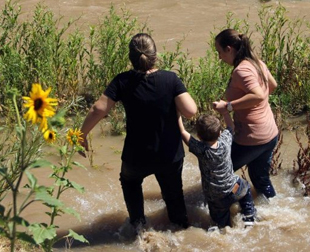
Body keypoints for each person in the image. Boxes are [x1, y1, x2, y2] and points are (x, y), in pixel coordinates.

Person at [78, 33, 197, 231]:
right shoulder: (170, 79)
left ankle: (138, 228)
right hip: (169, 155)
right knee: (174, 196)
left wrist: (82, 134)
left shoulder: (122, 81)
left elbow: (98, 109)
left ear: (130, 57)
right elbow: (191, 111)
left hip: (136, 155)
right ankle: (181, 229)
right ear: (155, 55)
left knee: (130, 182)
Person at [212, 28, 279, 201]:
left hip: (251, 139)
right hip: (269, 134)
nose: (219, 57)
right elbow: (272, 86)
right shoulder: (256, 62)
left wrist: (228, 106)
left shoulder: (241, 71)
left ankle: (236, 207)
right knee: (261, 180)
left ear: (229, 49)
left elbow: (258, 95)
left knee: (218, 173)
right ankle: (274, 211)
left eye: (219, 52)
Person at [178, 112, 256, 230]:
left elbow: (183, 132)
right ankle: (249, 215)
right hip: (234, 188)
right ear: (220, 133)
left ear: (198, 136)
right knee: (245, 187)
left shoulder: (201, 150)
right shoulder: (225, 141)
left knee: (221, 226)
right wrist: (225, 111)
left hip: (216, 198)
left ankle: (225, 228)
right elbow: (231, 126)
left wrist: (178, 115)